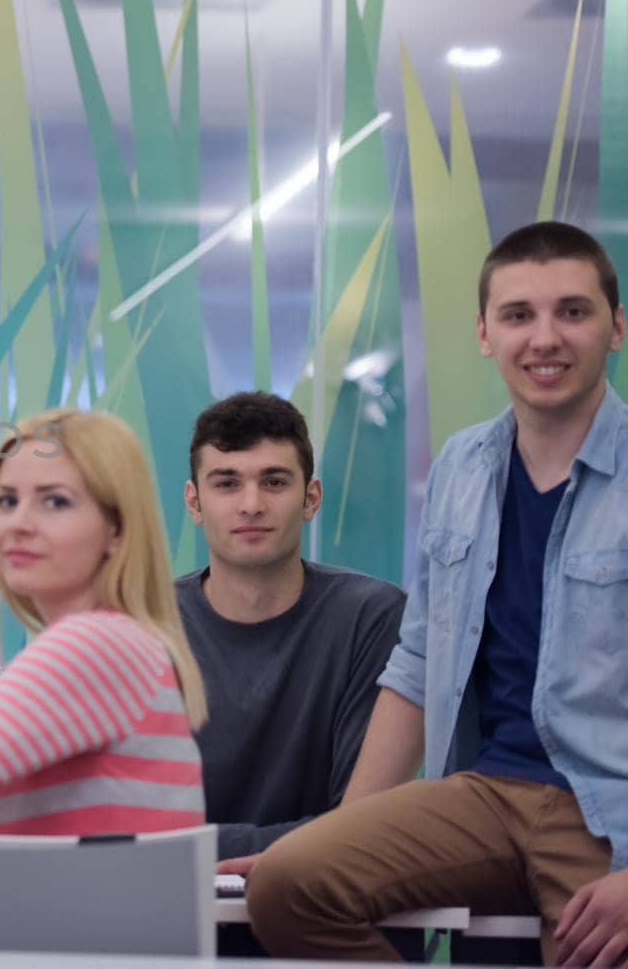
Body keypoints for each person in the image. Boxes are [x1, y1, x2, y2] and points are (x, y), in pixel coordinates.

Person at [246, 221, 628, 966]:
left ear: (617, 328)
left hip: (604, 812)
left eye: (572, 312)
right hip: (482, 792)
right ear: (485, 334)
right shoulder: (462, 466)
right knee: (290, 884)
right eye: (518, 315)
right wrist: (343, 834)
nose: (544, 337)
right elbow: (418, 665)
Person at [0, 409, 207, 835]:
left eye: (55, 501)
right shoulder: (127, 642)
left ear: (117, 530)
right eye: (7, 501)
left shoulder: (94, 643)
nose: (18, 524)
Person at [177, 392, 403, 861]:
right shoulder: (145, 626)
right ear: (194, 502)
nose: (251, 504)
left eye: (274, 481)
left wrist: (194, 848)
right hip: (174, 912)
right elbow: (129, 834)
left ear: (311, 498)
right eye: (226, 484)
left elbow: (362, 828)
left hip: (323, 905)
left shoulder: (373, 618)